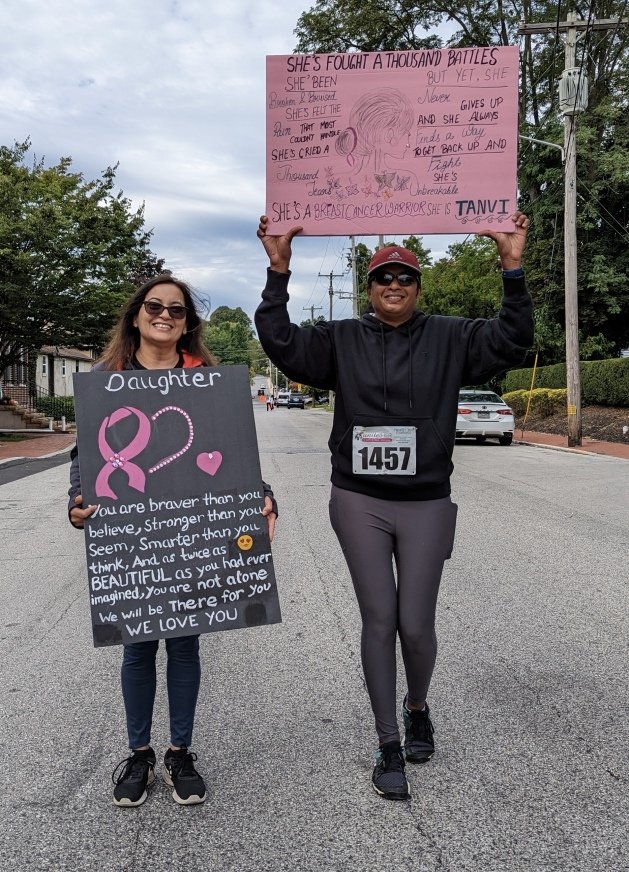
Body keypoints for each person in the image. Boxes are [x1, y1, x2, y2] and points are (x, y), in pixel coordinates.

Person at [256, 212, 533, 801]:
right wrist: (279, 269)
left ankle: (417, 707)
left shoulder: (451, 336)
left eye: (405, 277)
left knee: (416, 623)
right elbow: (281, 343)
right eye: (383, 277)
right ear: (370, 285)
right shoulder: (342, 339)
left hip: (426, 500)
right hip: (359, 498)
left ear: (417, 287)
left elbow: (512, 339)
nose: (393, 286)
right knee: (379, 618)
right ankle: (387, 742)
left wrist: (512, 266)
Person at [68, 274, 278, 808]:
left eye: (177, 310)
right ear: (136, 314)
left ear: (188, 324)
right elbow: (84, 459)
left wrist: (264, 495)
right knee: (137, 649)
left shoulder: (205, 378)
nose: (165, 316)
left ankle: (179, 752)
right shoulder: (106, 379)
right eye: (155, 306)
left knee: (186, 645)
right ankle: (139, 754)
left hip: (193, 534)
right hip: (134, 539)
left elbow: (235, 448)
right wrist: (77, 500)